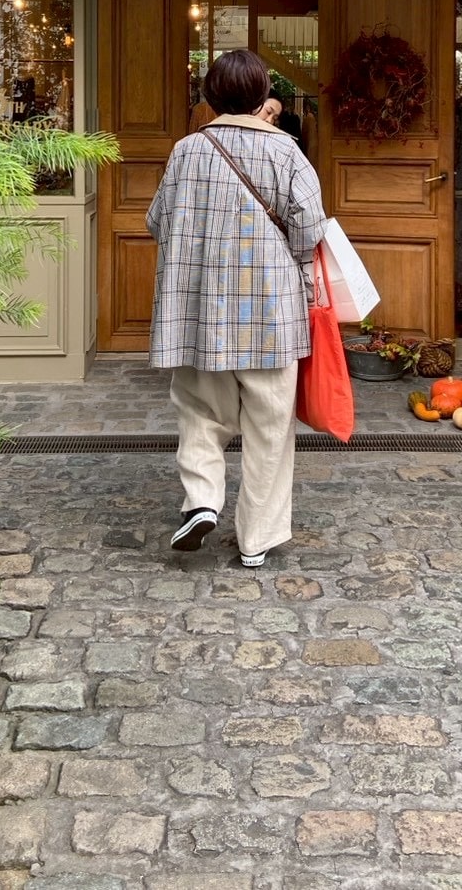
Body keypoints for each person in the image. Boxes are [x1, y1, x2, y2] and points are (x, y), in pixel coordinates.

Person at [146, 48, 328, 567]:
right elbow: (309, 228)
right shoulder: (287, 151)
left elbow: (158, 222)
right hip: (271, 309)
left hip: (200, 310)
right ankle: (256, 539)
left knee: (201, 411)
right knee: (270, 426)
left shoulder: (187, 151)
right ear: (261, 95)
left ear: (210, 96)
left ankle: (202, 501)